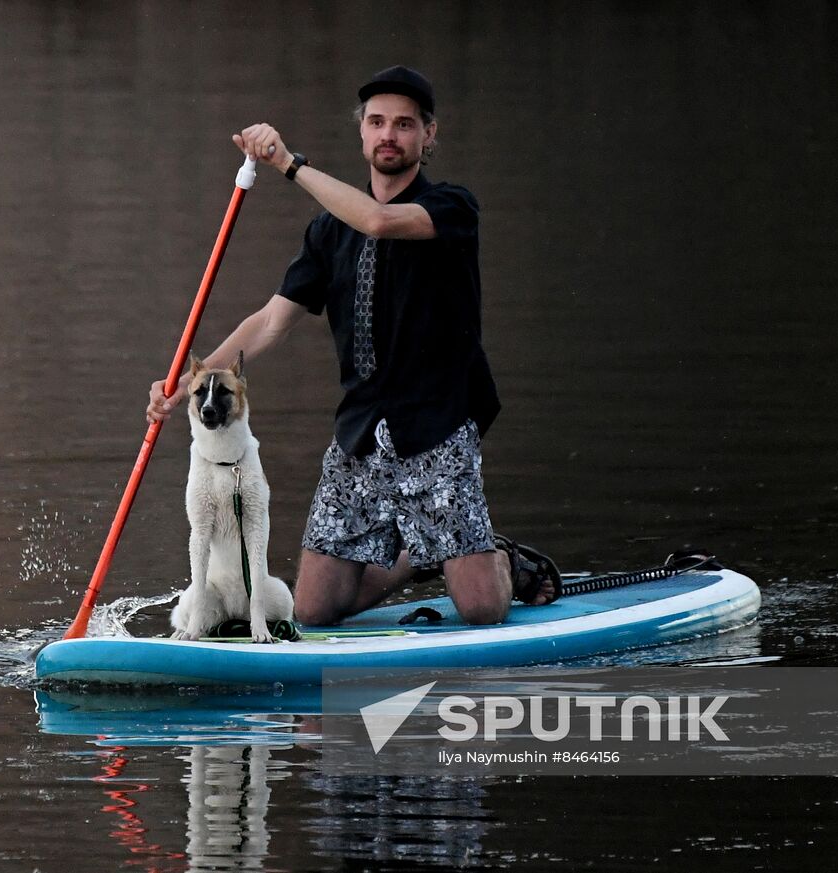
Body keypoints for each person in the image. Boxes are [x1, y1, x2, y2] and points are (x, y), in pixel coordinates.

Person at [147, 65, 557, 627]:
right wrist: (184, 386)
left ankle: (499, 557)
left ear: (428, 135)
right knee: (313, 610)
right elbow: (269, 322)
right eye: (378, 122)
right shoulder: (326, 233)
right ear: (362, 133)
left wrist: (289, 164)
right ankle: (418, 559)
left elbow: (379, 220)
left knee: (483, 610)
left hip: (438, 424)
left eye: (405, 125)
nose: (389, 134)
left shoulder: (452, 208)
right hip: (361, 430)